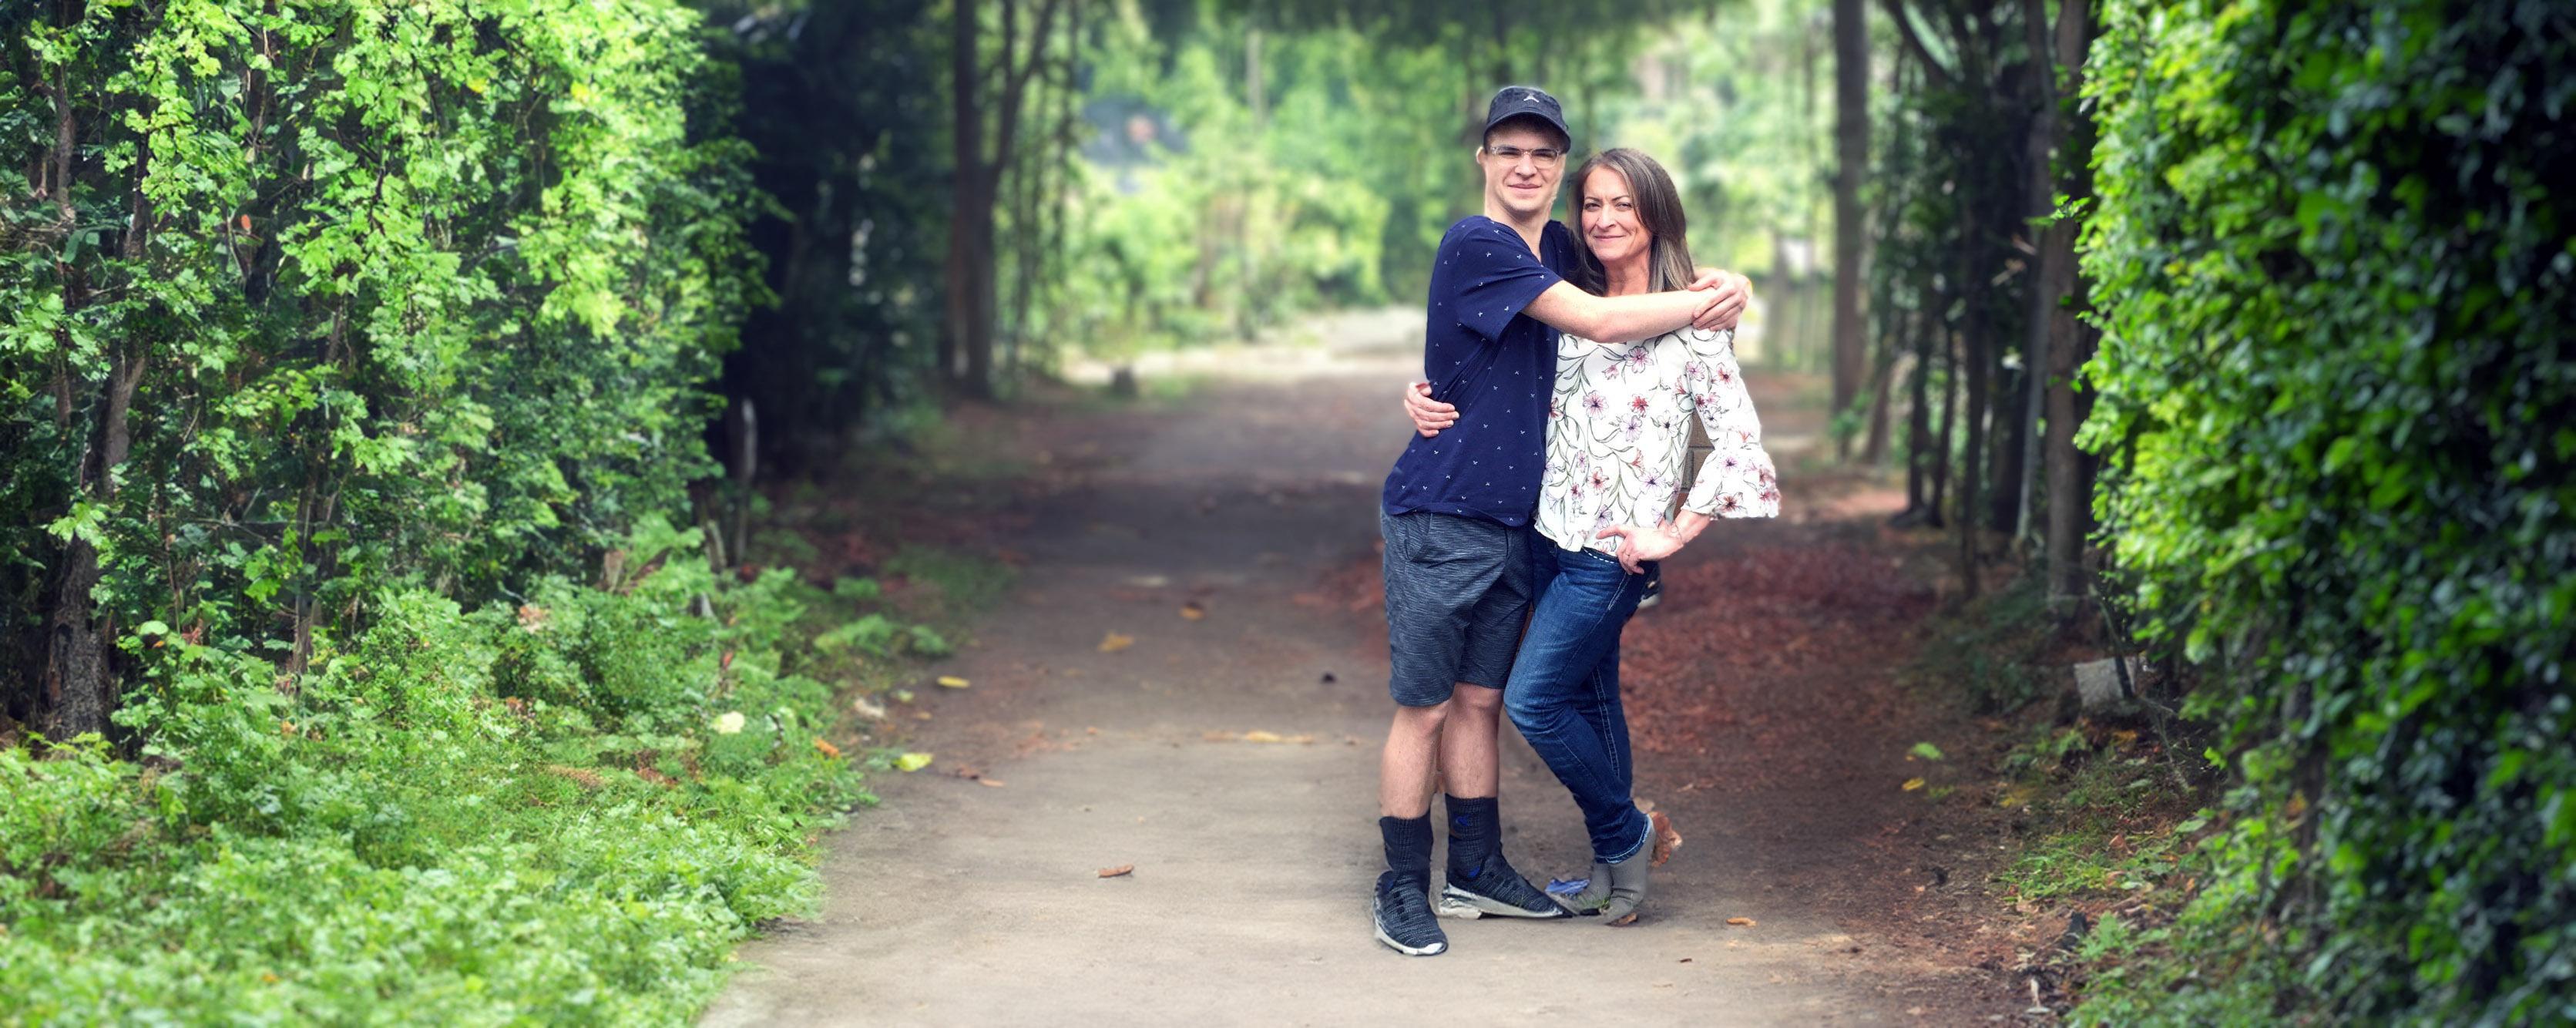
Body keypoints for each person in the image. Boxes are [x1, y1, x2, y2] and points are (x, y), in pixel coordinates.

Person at [1370, 86, 1751, 958]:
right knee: (1424, 710)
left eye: (1544, 153)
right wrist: (1709, 300)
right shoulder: (1476, 241)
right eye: (1509, 149)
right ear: (1483, 159)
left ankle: (1477, 868)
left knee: (1480, 700)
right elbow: (1601, 317)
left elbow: (1631, 270)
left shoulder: (1558, 247)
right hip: (1441, 511)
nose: (1526, 166)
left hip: (1522, 524)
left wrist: (1736, 282)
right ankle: (1399, 883)